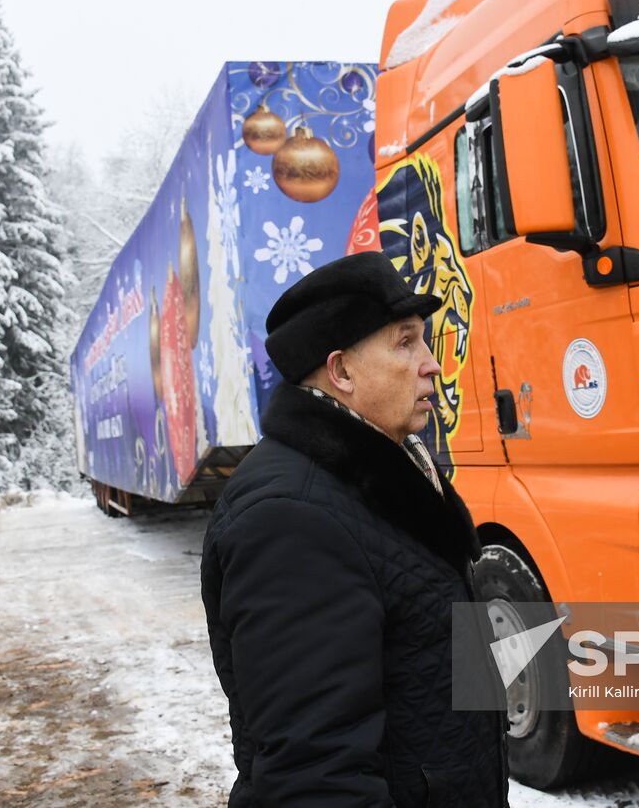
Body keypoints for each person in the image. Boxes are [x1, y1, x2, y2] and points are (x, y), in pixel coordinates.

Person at [201, 251, 508, 807]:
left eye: (424, 339)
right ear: (340, 371)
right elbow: (314, 779)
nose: (431, 363)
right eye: (404, 342)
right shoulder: (292, 520)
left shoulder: (394, 472)